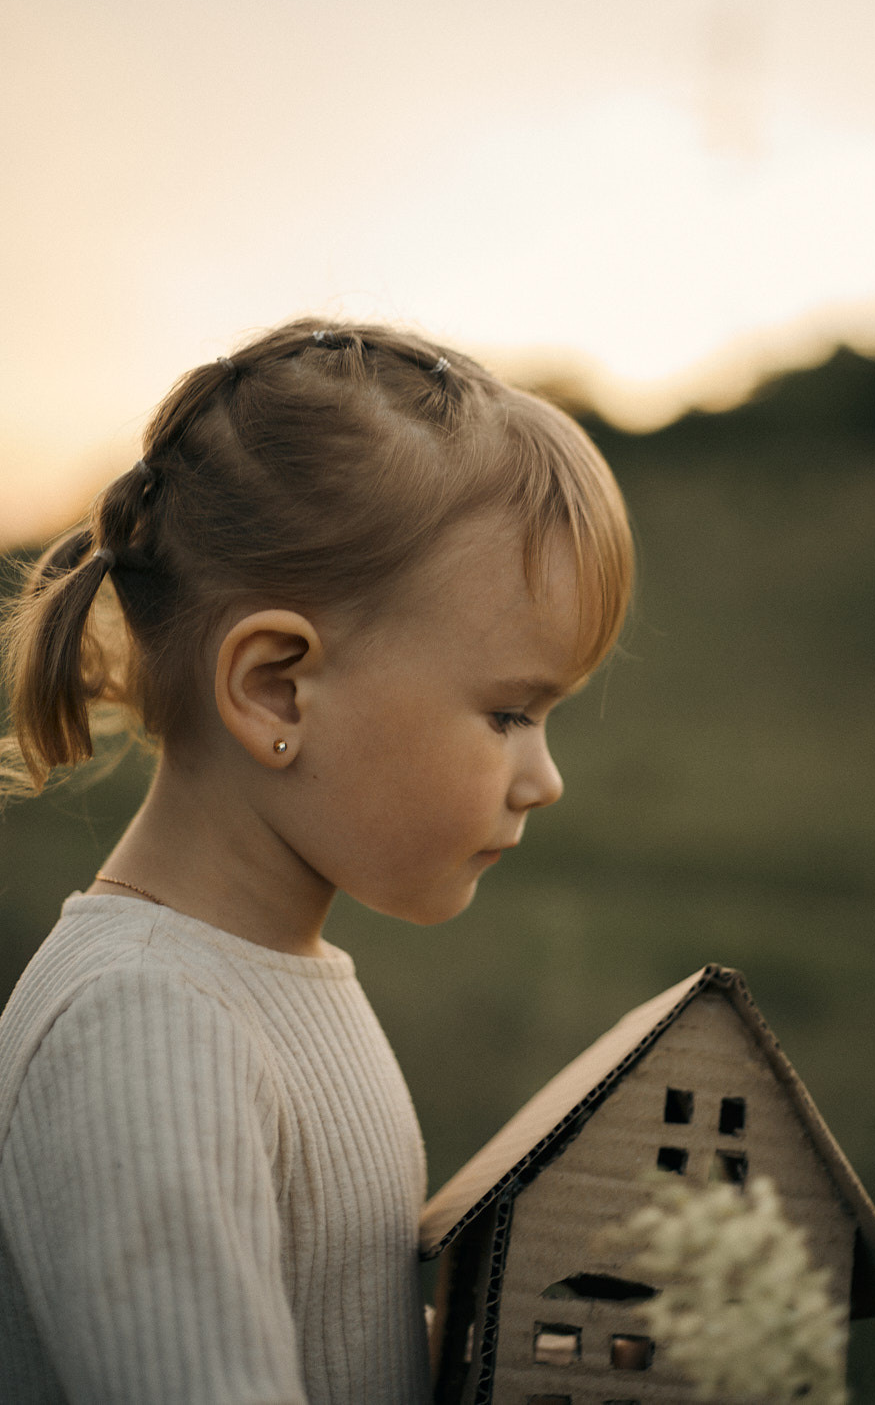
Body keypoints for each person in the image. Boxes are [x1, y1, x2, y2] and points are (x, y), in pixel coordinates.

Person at [0, 320, 634, 1404]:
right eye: (510, 714)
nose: (545, 779)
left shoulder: (248, 983)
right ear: (277, 691)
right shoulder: (146, 1024)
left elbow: (335, 1350)